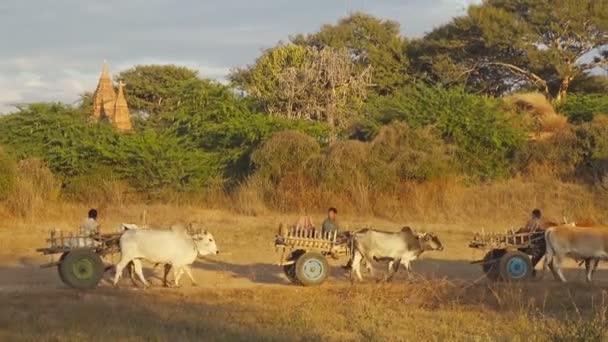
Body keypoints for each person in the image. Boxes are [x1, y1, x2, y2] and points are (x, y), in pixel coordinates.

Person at [517, 209, 545, 276]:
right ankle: (530, 268)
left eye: (532, 214)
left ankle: (529, 267)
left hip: (524, 238)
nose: (531, 215)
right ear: (538, 215)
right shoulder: (537, 222)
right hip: (529, 240)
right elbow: (533, 232)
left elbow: (527, 229)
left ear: (534, 215)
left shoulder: (530, 221)